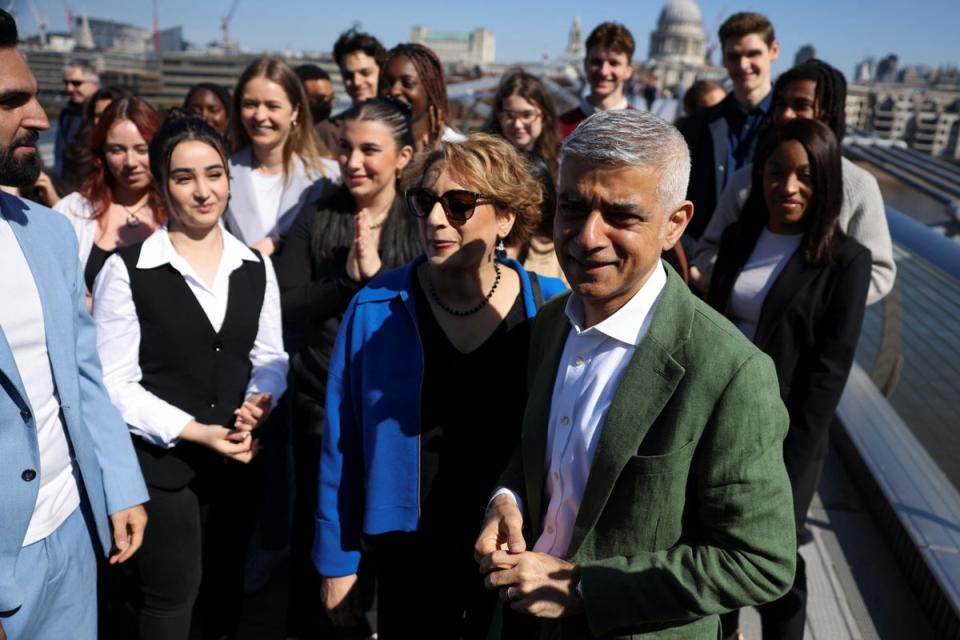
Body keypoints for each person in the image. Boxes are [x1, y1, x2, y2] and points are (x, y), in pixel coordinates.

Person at [474, 110, 796, 639]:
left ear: (676, 223)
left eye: (621, 216)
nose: (586, 237)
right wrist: (504, 501)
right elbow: (540, 450)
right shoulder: (553, 322)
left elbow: (761, 559)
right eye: (573, 208)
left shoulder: (731, 372)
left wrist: (581, 589)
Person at [315, 132, 566, 639]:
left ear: (507, 217)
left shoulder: (555, 310)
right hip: (411, 548)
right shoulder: (375, 306)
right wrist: (337, 560)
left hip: (519, 547)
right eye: (425, 202)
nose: (434, 219)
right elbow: (341, 443)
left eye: (458, 204)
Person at [92, 114, 289, 640]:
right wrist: (196, 431)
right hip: (161, 466)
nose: (204, 192)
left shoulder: (255, 265)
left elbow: (270, 354)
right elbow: (115, 384)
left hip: (237, 464)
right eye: (184, 178)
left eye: (215, 174)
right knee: (169, 598)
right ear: (162, 183)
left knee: (226, 591)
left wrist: (259, 400)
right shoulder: (126, 269)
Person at [0, 11, 148, 639]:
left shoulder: (52, 232)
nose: (39, 117)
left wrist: (120, 482)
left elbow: (83, 374)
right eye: (12, 101)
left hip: (73, 537)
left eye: (35, 96)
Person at [707, 119, 871, 640]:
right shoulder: (739, 237)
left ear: (825, 181)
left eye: (805, 175)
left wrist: (792, 463)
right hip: (716, 418)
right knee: (712, 543)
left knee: (773, 559)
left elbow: (828, 373)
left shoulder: (847, 261)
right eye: (776, 172)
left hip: (784, 434)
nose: (789, 187)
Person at [272, 97, 422, 639]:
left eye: (370, 150)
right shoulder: (322, 213)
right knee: (322, 538)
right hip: (319, 405)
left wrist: (381, 278)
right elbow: (284, 302)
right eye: (346, 148)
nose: (354, 161)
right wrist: (347, 282)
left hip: (395, 415)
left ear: (404, 156)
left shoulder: (423, 218)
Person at [692, 59, 895, 304]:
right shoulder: (747, 179)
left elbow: (879, 273)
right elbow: (707, 249)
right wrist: (743, 285)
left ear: (828, 115)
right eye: (780, 105)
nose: (787, 115)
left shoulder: (857, 186)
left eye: (801, 106)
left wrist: (806, 301)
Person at [680, 12, 780, 244]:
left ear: (774, 51)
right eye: (734, 56)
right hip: (700, 265)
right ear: (722, 59)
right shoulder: (698, 125)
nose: (743, 65)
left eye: (753, 54)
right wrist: (692, 261)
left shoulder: (790, 127)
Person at [226, 57, 339, 256]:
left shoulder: (329, 176)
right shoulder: (220, 173)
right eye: (251, 104)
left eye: (272, 106)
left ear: (295, 111)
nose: (260, 116)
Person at [53, 96, 164, 298]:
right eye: (117, 149)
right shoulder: (71, 211)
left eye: (142, 149)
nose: (130, 161)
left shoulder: (180, 210)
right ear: (101, 152)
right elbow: (54, 295)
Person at [558, 22, 635, 138]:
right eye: (596, 62)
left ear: (628, 70)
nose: (604, 71)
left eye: (614, 63)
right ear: (585, 65)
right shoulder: (557, 130)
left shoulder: (642, 132)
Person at [383, 43, 466, 150]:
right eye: (387, 83)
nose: (394, 91)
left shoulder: (461, 152)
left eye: (407, 83)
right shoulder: (365, 143)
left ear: (430, 91)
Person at [318, 29, 387, 152]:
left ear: (381, 72)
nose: (357, 82)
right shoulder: (326, 133)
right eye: (349, 75)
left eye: (365, 73)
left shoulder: (401, 127)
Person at [485, 69, 561, 177]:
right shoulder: (486, 163)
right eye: (509, 116)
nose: (517, 124)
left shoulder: (562, 161)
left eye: (527, 115)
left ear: (544, 116)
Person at [58, 85, 130, 196]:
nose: (102, 121)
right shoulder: (77, 154)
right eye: (97, 115)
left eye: (108, 114)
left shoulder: (139, 157)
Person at [54, 60, 100, 178]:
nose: (69, 89)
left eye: (76, 83)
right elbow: (59, 153)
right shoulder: (67, 113)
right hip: (67, 183)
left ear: (94, 84)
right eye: (66, 83)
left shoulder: (105, 112)